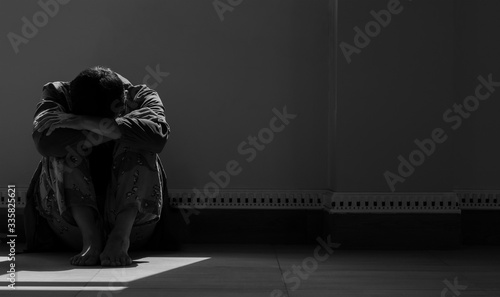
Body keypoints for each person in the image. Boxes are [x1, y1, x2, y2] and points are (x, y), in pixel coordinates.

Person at [26, 66, 171, 266]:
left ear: (120, 104)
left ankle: (120, 237)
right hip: (71, 225)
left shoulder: (141, 97)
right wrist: (110, 129)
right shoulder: (58, 94)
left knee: (140, 144)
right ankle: (91, 238)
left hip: (135, 226)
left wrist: (82, 122)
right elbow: (45, 143)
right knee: (61, 150)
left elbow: (156, 139)